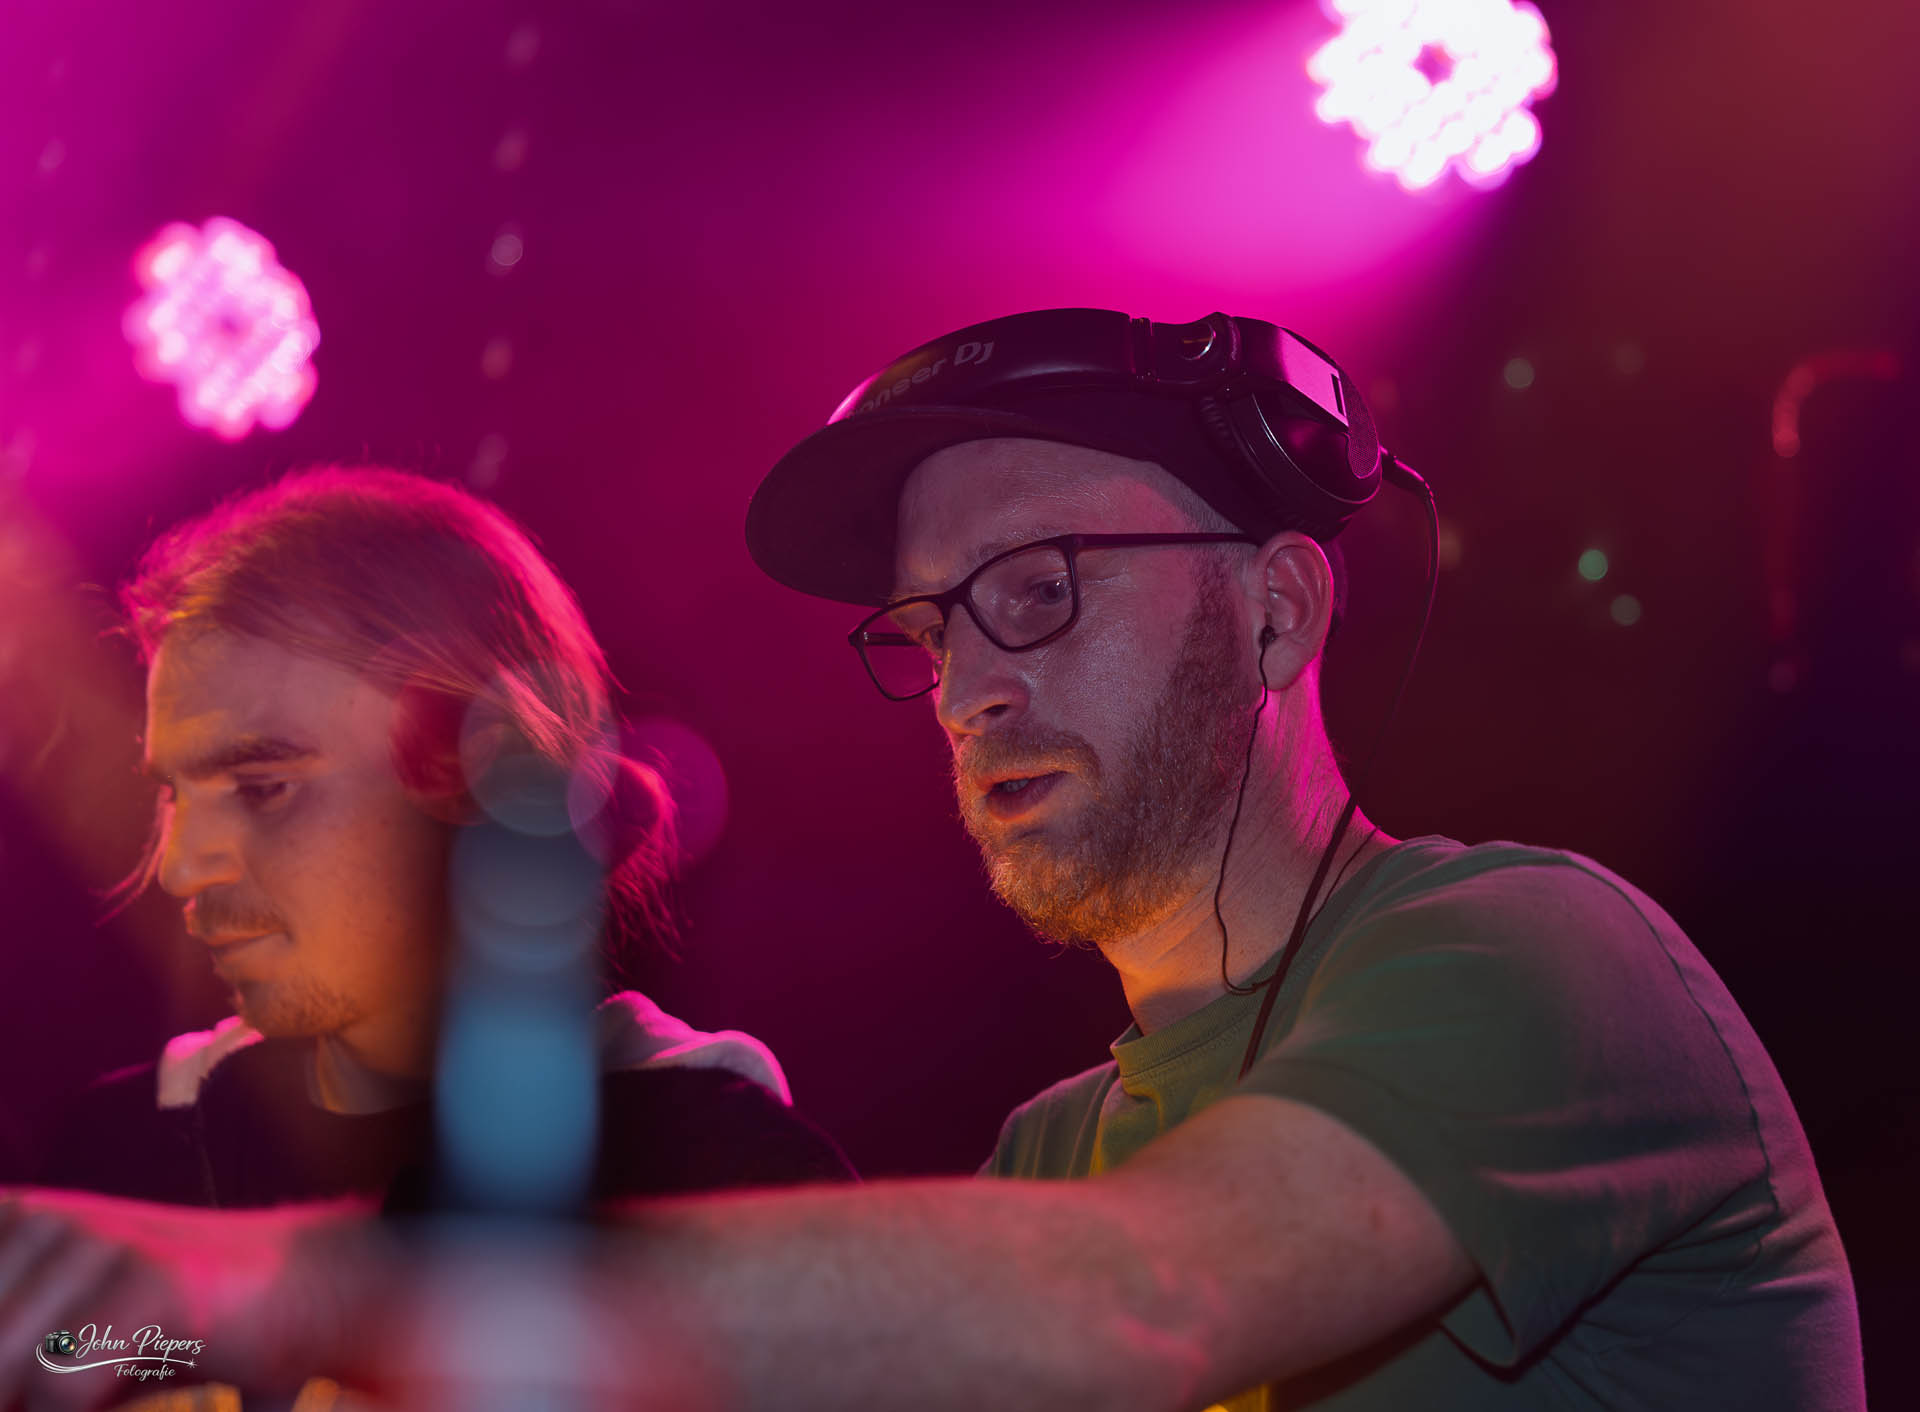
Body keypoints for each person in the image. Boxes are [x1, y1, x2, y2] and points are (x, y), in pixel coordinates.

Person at [3, 312, 1863, 1412]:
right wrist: (117, 1337)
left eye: (1036, 589)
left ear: (1282, 612)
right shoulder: (1048, 1157)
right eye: (929, 628)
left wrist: (273, 1294)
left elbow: (1147, 1302)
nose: (970, 685)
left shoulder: (1532, 954)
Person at [35, 466, 853, 1209]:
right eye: (173, 795)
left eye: (263, 789)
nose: (179, 868)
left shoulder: (723, 1183)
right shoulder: (117, 1161)